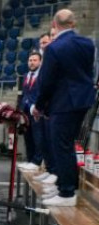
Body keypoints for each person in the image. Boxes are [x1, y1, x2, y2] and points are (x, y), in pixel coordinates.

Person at [32, 9, 97, 206]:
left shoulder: (54, 48)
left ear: (54, 24)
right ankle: (64, 186)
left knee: (62, 145)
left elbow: (47, 82)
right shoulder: (88, 43)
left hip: (63, 102)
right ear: (73, 23)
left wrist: (39, 106)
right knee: (67, 144)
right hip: (83, 100)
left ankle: (67, 192)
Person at [18, 51, 48, 174]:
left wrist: (37, 107)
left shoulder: (43, 76)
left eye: (35, 60)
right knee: (28, 139)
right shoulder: (25, 76)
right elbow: (24, 94)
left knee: (38, 139)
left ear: (40, 62)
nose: (32, 62)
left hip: (37, 112)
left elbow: (43, 94)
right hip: (25, 113)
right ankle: (30, 161)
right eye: (30, 60)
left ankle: (36, 163)